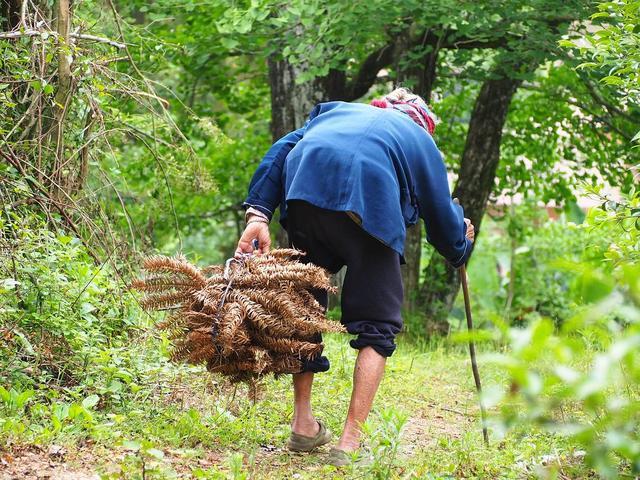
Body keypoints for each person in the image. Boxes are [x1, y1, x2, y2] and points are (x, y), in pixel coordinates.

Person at [235, 88, 475, 466]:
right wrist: (461, 245)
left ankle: (302, 424)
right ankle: (348, 443)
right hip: (369, 208)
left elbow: (279, 153)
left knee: (304, 309)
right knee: (377, 326)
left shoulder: (334, 112)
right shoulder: (420, 141)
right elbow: (442, 219)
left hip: (305, 200)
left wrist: (258, 215)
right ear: (423, 125)